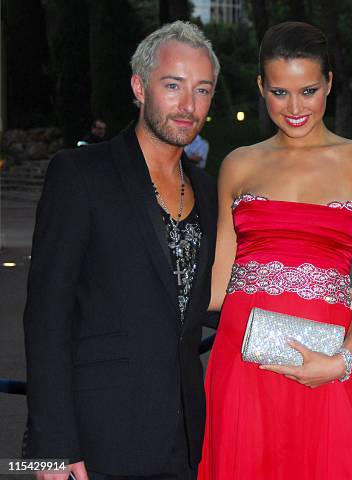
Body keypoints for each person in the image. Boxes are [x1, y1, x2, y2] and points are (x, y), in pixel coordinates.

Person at [22, 21, 219, 480]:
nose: (188, 105)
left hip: (186, 439)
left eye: (202, 90)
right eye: (173, 85)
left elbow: (206, 302)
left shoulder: (208, 192)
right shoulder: (80, 174)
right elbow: (46, 315)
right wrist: (50, 447)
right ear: (139, 87)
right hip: (96, 440)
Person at [199, 21, 352, 480]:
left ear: (328, 82)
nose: (295, 107)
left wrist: (343, 359)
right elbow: (216, 290)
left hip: (327, 364)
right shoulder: (239, 164)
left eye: (308, 90)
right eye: (280, 92)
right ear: (261, 87)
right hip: (242, 364)